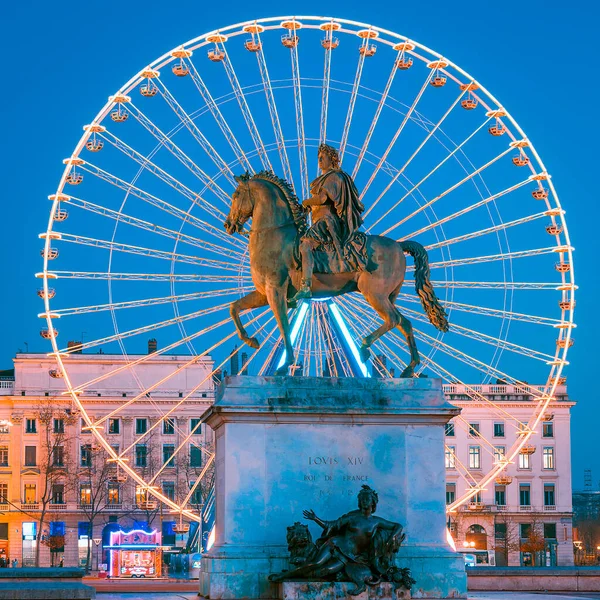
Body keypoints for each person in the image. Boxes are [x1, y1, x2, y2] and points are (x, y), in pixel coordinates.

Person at [293, 144, 366, 301]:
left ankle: (305, 286)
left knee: (305, 245)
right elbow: (318, 204)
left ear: (331, 159)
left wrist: (306, 202)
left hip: (327, 223)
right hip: (319, 221)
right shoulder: (326, 179)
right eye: (318, 158)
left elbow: (323, 199)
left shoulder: (334, 177)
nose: (319, 161)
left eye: (322, 158)